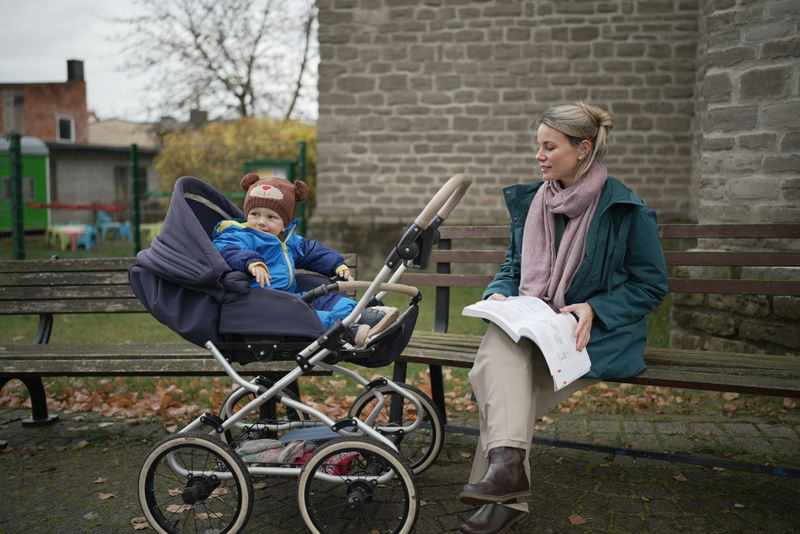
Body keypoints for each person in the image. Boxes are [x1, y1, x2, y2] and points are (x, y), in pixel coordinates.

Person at [458, 102, 668, 534]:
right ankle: (508, 477)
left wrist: (596, 307)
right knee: (501, 356)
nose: (539, 155)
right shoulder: (534, 202)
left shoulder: (625, 208)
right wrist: (498, 294)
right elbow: (513, 266)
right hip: (537, 327)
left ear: (583, 149)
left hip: (593, 337)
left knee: (498, 388)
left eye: (549, 146)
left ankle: (507, 491)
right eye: (538, 146)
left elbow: (650, 285)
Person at [212, 173, 397, 346]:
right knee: (304, 314)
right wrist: (251, 262)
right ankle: (346, 331)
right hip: (260, 303)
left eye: (271, 217)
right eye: (254, 214)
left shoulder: (287, 240)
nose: (261, 222)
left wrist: (336, 264)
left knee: (327, 300)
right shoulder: (241, 234)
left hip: (288, 297)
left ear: (284, 223)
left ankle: (363, 315)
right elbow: (227, 249)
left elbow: (311, 251)